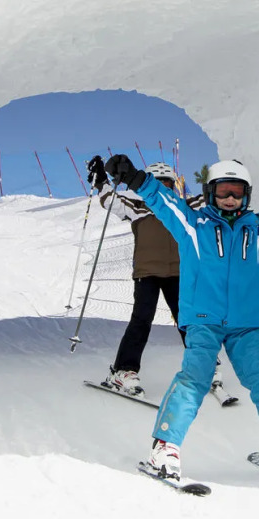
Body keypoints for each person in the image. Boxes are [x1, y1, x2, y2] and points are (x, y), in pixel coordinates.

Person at [103, 153, 259, 482]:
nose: (230, 198)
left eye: (237, 191)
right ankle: (165, 447)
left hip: (245, 325)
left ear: (247, 194)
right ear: (210, 193)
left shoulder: (258, 230)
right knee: (195, 380)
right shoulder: (193, 227)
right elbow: (162, 200)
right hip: (203, 321)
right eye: (223, 191)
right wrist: (136, 178)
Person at [86, 155, 191, 397]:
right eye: (157, 183)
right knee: (141, 320)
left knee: (187, 319)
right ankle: (123, 371)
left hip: (178, 272)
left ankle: (204, 364)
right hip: (147, 273)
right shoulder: (139, 208)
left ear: (174, 185)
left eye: (167, 184)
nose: (163, 188)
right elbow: (111, 201)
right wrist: (101, 180)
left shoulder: (184, 207)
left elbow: (213, 203)